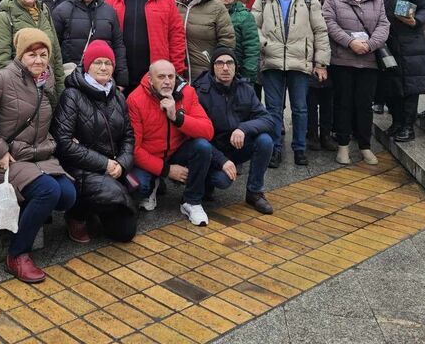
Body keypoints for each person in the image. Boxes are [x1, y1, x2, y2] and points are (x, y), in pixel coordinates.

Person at [0, 29, 75, 283]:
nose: (38, 60)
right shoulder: (3, 78)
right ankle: (17, 254)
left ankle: (27, 211)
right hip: (10, 157)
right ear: (20, 55)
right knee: (48, 191)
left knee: (68, 195)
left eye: (43, 54)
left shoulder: (45, 82)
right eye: (31, 54)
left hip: (39, 154)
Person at [52, 41, 137, 244]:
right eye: (97, 62)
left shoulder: (117, 96)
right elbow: (64, 143)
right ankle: (77, 215)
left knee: (125, 232)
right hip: (81, 167)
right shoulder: (72, 95)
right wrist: (104, 164)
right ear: (87, 65)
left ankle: (98, 210)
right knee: (115, 194)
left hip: (113, 166)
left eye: (108, 63)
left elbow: (128, 135)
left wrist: (122, 164)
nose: (103, 67)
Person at [252, 0, 330, 168]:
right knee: (274, 109)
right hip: (272, 62)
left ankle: (299, 148)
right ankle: (275, 148)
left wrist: (320, 62)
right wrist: (265, 43)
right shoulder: (263, 0)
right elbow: (254, 27)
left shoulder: (308, 0)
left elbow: (320, 31)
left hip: (299, 61)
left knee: (300, 109)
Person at [127, 60, 216, 226]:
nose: (167, 81)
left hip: (176, 152)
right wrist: (167, 170)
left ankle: (192, 201)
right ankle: (153, 183)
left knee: (203, 146)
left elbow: (208, 131)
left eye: (171, 76)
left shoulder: (187, 93)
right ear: (150, 79)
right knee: (136, 186)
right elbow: (135, 150)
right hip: (149, 157)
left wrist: (177, 117)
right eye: (161, 77)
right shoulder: (135, 99)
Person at [322, 0, 390, 166]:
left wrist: (369, 45)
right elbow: (329, 23)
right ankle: (343, 145)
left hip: (368, 61)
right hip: (342, 59)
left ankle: (365, 145)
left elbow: (384, 25)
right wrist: (350, 42)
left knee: (364, 105)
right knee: (343, 103)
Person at [193, 46, 276, 214]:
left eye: (230, 63)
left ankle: (254, 192)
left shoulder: (245, 89)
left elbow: (267, 119)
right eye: (220, 63)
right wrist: (221, 160)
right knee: (222, 181)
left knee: (265, 140)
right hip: (212, 151)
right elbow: (195, 136)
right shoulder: (199, 91)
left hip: (236, 146)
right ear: (213, 67)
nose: (225, 67)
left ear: (236, 66)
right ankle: (203, 183)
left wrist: (243, 128)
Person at [368, 0, 425, 142]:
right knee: (390, 85)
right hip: (384, 42)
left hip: (408, 42)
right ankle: (396, 123)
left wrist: (416, 21)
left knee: (409, 85)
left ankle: (407, 126)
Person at [107, 0, 186, 92]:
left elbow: (176, 36)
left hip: (156, 71)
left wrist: (176, 69)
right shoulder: (111, 3)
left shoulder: (166, 1)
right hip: (122, 72)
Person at [52, 0, 128, 86]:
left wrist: (122, 79)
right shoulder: (62, 11)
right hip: (73, 77)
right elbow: (54, 47)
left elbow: (118, 45)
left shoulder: (109, 11)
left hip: (102, 76)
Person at [176, 0, 236, 80]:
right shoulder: (174, 4)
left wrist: (217, 64)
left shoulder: (217, 6)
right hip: (179, 70)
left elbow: (227, 40)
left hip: (206, 71)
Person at [304, 0, 337, 151]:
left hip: (329, 60)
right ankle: (312, 134)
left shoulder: (331, 7)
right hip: (308, 60)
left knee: (327, 101)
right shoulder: (302, 7)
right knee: (310, 101)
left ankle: (325, 134)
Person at [214, 0, 260, 82]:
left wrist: (248, 74)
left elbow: (252, 47)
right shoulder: (208, 12)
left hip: (238, 71)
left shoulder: (245, 16)